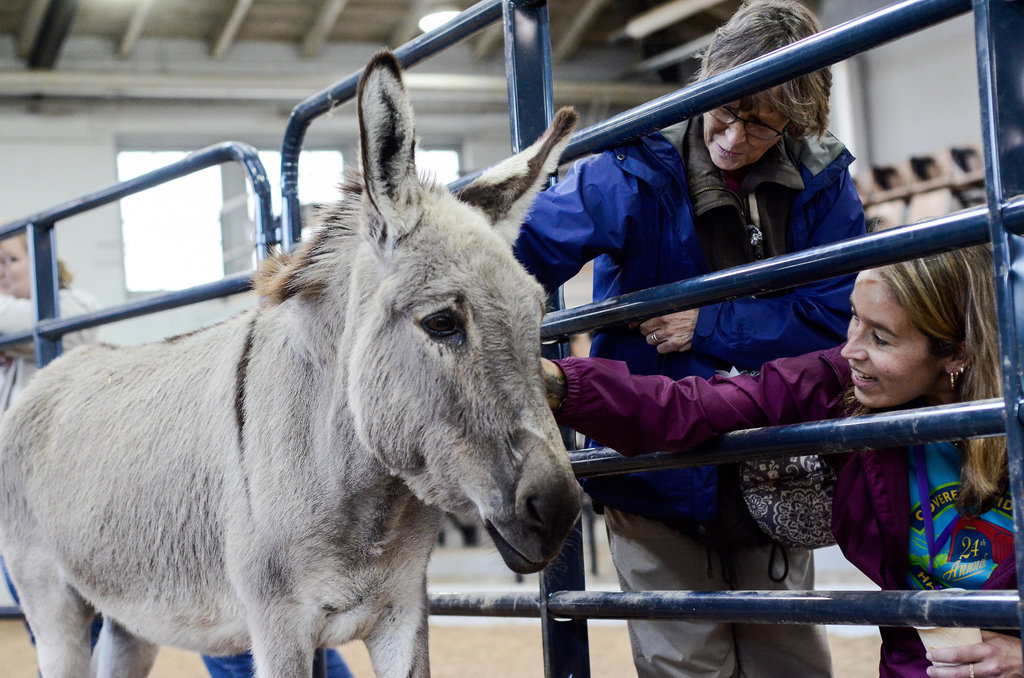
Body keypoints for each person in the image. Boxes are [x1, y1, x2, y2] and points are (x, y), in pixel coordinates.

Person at [514, 1, 865, 675]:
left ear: (799, 120)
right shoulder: (635, 164)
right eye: (725, 111)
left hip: (775, 468)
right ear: (707, 77)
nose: (733, 137)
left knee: (788, 659)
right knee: (683, 662)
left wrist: (709, 323)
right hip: (656, 472)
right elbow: (529, 252)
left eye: (762, 124)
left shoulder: (823, 183)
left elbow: (836, 316)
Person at [541, 245, 1021, 678]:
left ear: (956, 353)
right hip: (920, 664)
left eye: (882, 338)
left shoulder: (1010, 417)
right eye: (854, 319)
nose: (851, 349)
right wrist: (558, 384)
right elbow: (694, 405)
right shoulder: (843, 386)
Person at [0, 230, 354, 678]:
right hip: (36, 493)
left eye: (10, 259)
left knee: (255, 618)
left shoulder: (73, 307)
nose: (2, 271)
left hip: (89, 479)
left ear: (42, 263)